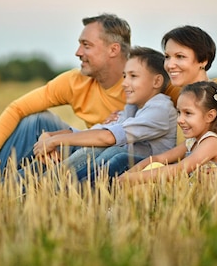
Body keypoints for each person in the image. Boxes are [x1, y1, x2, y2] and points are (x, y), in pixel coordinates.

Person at [0, 13, 132, 181]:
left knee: (104, 151)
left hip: (116, 159)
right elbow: (17, 108)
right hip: (86, 143)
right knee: (36, 121)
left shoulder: (147, 81)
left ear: (113, 49)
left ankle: (6, 190)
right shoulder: (75, 82)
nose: (78, 53)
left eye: (86, 45)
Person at [110, 25, 217, 190]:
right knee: (122, 159)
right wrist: (119, 118)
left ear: (203, 61)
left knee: (125, 166)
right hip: (188, 180)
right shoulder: (179, 92)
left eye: (180, 57)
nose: (170, 65)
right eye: (167, 56)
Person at [30, 46, 177, 181]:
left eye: (133, 76)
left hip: (144, 173)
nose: (124, 83)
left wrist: (56, 140)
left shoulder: (160, 109)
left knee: (109, 151)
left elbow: (107, 138)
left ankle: (52, 186)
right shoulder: (132, 108)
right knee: (77, 146)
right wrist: (50, 137)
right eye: (124, 76)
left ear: (157, 81)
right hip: (119, 165)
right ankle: (25, 184)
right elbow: (93, 133)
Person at [118, 81, 217, 184]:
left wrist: (133, 179)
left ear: (210, 116)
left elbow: (179, 169)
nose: (179, 120)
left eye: (188, 113)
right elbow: (158, 158)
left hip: (216, 206)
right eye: (179, 112)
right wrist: (127, 175)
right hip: (196, 200)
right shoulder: (192, 142)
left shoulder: (212, 142)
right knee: (154, 166)